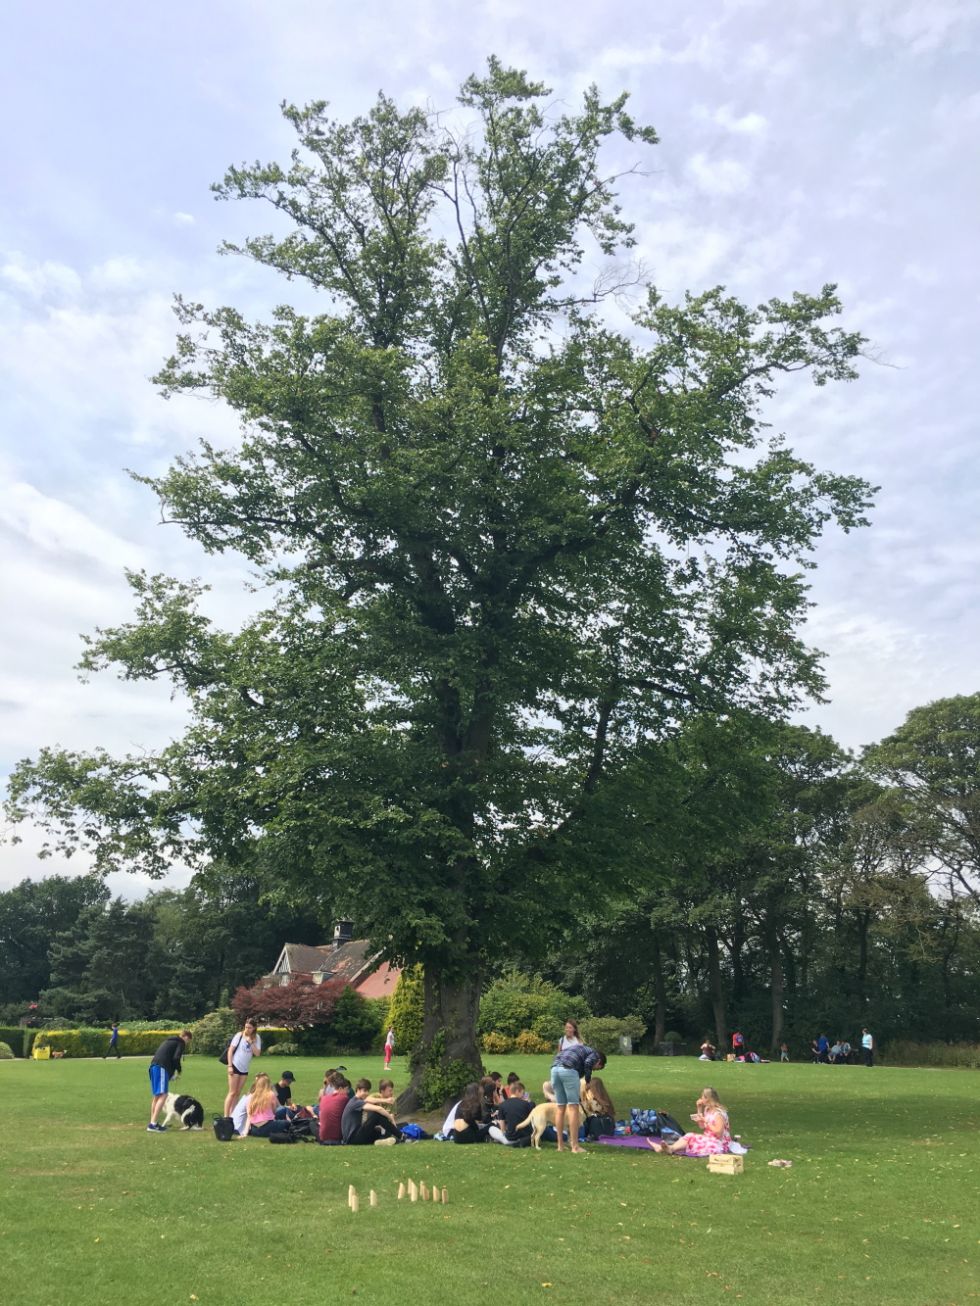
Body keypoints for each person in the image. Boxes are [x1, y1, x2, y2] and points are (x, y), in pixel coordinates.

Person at [550, 1041, 606, 1154]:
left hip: (554, 1069)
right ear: (599, 1061)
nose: (594, 1070)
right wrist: (588, 1081)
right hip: (568, 1070)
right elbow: (588, 1063)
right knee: (573, 1108)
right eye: (597, 1068)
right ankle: (575, 1147)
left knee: (560, 1108)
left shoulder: (578, 1049)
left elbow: (561, 1055)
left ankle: (560, 1145)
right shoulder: (594, 1055)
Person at [648, 1087, 731, 1156]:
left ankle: (667, 1148)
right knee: (689, 1135)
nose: (701, 1098)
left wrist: (705, 1121)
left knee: (694, 1141)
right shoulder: (707, 1109)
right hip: (708, 1138)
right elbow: (702, 1126)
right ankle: (670, 1148)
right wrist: (699, 1108)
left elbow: (718, 1132)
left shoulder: (718, 1114)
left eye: (702, 1097)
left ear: (708, 1099)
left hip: (719, 1143)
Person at [147, 1030, 192, 1131]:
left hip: (154, 1067)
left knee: (157, 1096)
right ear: (185, 1037)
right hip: (161, 1067)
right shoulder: (180, 1042)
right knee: (164, 1095)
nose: (187, 1043)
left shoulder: (169, 1040)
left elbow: (168, 1057)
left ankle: (152, 1122)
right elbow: (176, 1058)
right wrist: (179, 1070)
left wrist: (171, 1075)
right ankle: (153, 1125)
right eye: (188, 1040)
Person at [223, 1019, 262, 1118]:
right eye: (246, 1027)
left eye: (249, 1028)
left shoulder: (256, 1038)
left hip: (244, 1068)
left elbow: (257, 1054)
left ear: (254, 1028)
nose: (247, 1029)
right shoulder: (239, 1035)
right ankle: (226, 1116)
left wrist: (251, 1043)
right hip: (235, 1065)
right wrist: (230, 1066)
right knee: (232, 1092)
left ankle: (233, 1115)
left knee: (238, 1093)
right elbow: (230, 1051)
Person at [342, 1078, 399, 1145]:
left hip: (354, 1137)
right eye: (364, 1091)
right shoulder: (356, 1102)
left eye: (368, 1091)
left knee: (378, 1131)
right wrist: (391, 1118)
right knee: (376, 1115)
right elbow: (378, 1109)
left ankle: (385, 1140)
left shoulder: (356, 1101)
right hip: (352, 1139)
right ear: (358, 1090)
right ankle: (401, 1136)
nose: (367, 1093)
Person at [242, 1072, 288, 1138]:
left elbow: (249, 1116)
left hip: (255, 1129)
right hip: (267, 1126)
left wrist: (245, 1132)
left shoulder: (251, 1096)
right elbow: (274, 1111)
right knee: (285, 1123)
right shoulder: (270, 1094)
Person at [489, 1081, 534, 1146]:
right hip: (525, 1135)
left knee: (491, 1128)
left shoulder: (502, 1105)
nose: (523, 1095)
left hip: (511, 1137)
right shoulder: (526, 1104)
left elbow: (502, 1128)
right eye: (523, 1093)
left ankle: (508, 1142)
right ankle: (521, 1141)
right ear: (517, 1091)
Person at [318, 1075, 350, 1144]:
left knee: (313, 1123)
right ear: (341, 1088)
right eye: (346, 1089)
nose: (348, 1092)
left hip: (323, 1137)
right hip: (338, 1137)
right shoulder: (344, 1098)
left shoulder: (324, 1098)